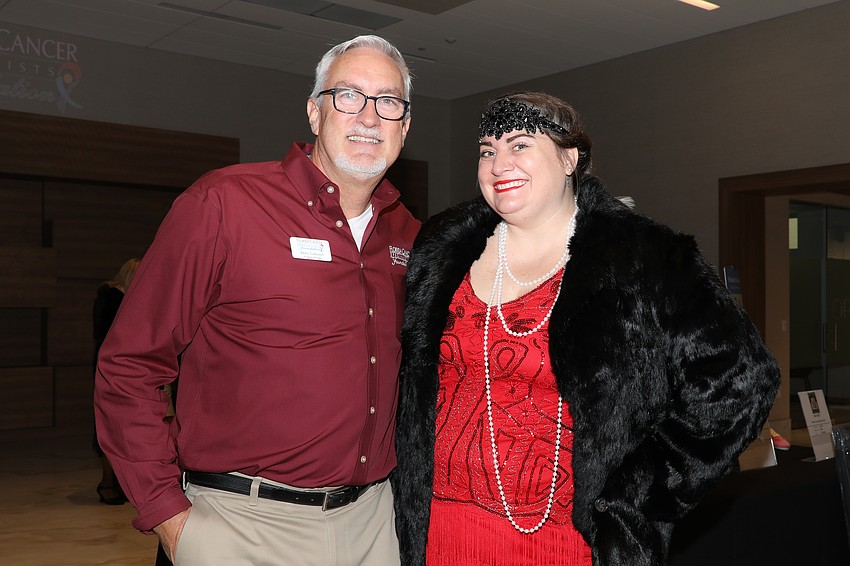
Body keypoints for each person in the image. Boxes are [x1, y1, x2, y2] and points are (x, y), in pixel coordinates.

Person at [393, 91, 781, 566]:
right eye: (487, 151)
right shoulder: (440, 249)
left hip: (571, 544)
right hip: (441, 532)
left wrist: (634, 498)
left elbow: (743, 382)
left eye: (520, 145)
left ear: (570, 158)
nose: (499, 164)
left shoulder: (642, 257)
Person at [94, 34, 419, 565]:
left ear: (404, 126)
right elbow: (130, 363)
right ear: (314, 112)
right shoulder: (225, 204)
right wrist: (169, 517)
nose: (369, 116)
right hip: (240, 526)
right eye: (348, 96)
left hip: (373, 527)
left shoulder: (408, 235)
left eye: (388, 101)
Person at [92, 257, 140, 505]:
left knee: (122, 425)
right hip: (110, 364)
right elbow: (104, 331)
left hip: (125, 365)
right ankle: (107, 483)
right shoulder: (110, 296)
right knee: (107, 422)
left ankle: (119, 483)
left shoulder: (127, 298)